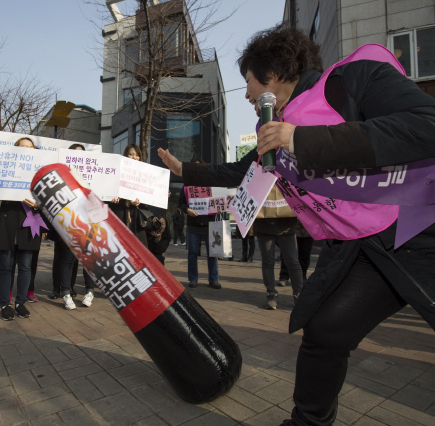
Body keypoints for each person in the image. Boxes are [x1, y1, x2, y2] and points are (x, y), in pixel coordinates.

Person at [159, 25, 435, 426]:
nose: (249, 96)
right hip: (360, 249)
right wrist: (187, 169)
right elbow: (242, 170)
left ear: (271, 75)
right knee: (325, 332)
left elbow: (425, 126)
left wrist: (303, 139)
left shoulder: (352, 80)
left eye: (249, 84)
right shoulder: (275, 129)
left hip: (418, 229)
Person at [0, 137, 43, 320]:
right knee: (6, 266)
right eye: (23, 147)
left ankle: (20, 303)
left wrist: (38, 204)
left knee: (26, 266)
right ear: (15, 151)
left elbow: (48, 199)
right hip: (7, 221)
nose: (27, 150)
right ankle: (5, 303)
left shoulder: (40, 174)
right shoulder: (3, 169)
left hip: (30, 222)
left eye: (30, 147)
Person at [49, 143, 96, 310]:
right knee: (67, 259)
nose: (79, 158)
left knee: (88, 259)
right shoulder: (60, 176)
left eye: (82, 154)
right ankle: (65, 293)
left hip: (88, 221)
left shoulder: (94, 172)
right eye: (75, 154)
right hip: (69, 221)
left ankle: (89, 291)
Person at [177, 158, 221, 289]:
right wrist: (187, 210)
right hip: (193, 224)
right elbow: (181, 202)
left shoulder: (211, 184)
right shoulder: (186, 186)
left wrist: (220, 208)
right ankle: (193, 279)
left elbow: (219, 200)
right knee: (192, 253)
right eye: (194, 167)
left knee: (212, 253)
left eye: (199, 167)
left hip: (210, 224)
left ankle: (214, 279)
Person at [108, 144, 148, 247]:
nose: (134, 157)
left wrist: (162, 194)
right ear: (125, 156)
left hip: (137, 221)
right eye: (131, 154)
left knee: (139, 252)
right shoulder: (116, 172)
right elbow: (108, 196)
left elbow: (148, 199)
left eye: (137, 155)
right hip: (121, 217)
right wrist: (126, 201)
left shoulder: (145, 174)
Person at [279, 220, 314, 286]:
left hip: (308, 228)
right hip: (291, 228)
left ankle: (302, 276)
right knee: (287, 254)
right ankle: (284, 277)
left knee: (305, 254)